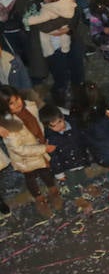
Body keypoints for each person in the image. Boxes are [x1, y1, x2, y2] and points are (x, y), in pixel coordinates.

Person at [0, 85, 61, 218]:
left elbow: (39, 123)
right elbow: (18, 149)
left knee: (46, 171)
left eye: (17, 100)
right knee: (31, 177)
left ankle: (53, 191)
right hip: (25, 158)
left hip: (39, 147)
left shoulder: (29, 106)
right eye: (11, 103)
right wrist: (43, 148)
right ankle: (39, 199)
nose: (17, 104)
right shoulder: (8, 125)